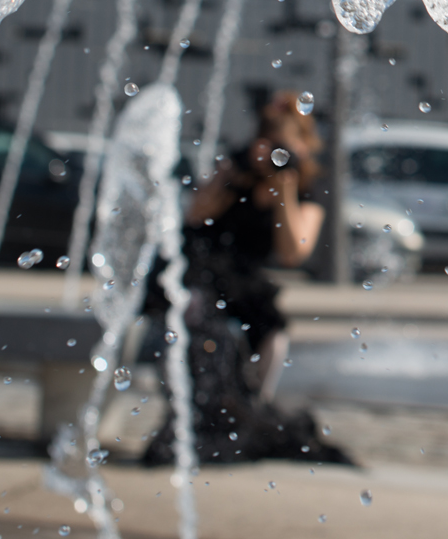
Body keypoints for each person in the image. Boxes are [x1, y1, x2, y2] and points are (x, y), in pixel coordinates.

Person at [142, 91, 348, 465]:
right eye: (271, 144)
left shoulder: (303, 187)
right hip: (202, 271)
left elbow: (293, 251)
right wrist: (232, 180)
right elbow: (195, 216)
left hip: (245, 281)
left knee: (272, 329)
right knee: (196, 327)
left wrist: (283, 188)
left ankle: (252, 409)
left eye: (286, 146)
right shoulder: (237, 167)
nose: (275, 154)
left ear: (302, 146)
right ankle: (186, 414)